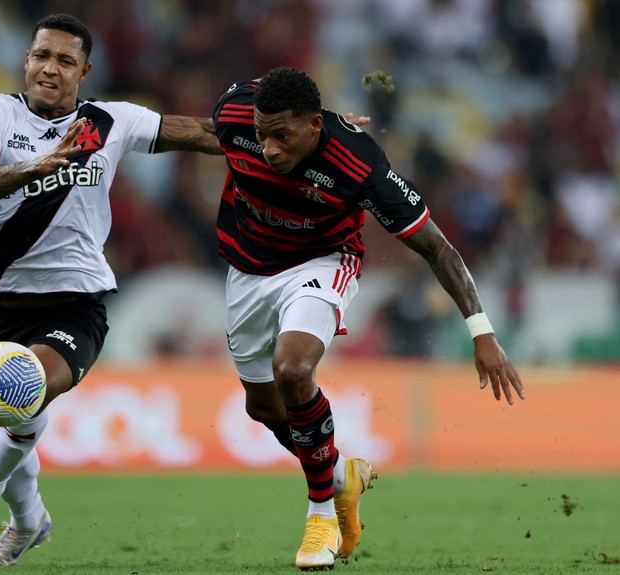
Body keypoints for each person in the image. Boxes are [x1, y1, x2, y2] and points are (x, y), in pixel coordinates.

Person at [211, 67, 525, 570]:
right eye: (261, 133)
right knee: (264, 410)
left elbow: (436, 248)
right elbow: (200, 133)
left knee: (292, 370)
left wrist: (481, 332)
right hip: (247, 269)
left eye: (282, 135)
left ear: (315, 125)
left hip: (321, 261)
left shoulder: (357, 164)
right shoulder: (233, 114)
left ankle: (320, 517)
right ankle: (340, 479)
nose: (268, 148)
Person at [0, 14, 221, 567]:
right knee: (8, 418)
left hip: (75, 303)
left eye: (65, 61)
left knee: (20, 388)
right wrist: (42, 164)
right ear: (27, 59)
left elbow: (206, 133)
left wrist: (309, 133)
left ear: (84, 72)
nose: (50, 68)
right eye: (42, 55)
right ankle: (27, 523)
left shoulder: (107, 123)